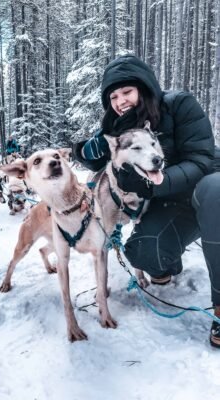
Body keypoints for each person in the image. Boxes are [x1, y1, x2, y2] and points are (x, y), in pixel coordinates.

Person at [72, 54, 220, 348]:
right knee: (141, 251)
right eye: (113, 96)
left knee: (215, 191)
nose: (120, 100)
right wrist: (84, 151)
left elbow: (202, 159)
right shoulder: (117, 126)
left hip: (207, 190)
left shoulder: (179, 104)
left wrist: (158, 183)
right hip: (169, 204)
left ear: (144, 87)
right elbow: (96, 157)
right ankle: (167, 263)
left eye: (126, 91)